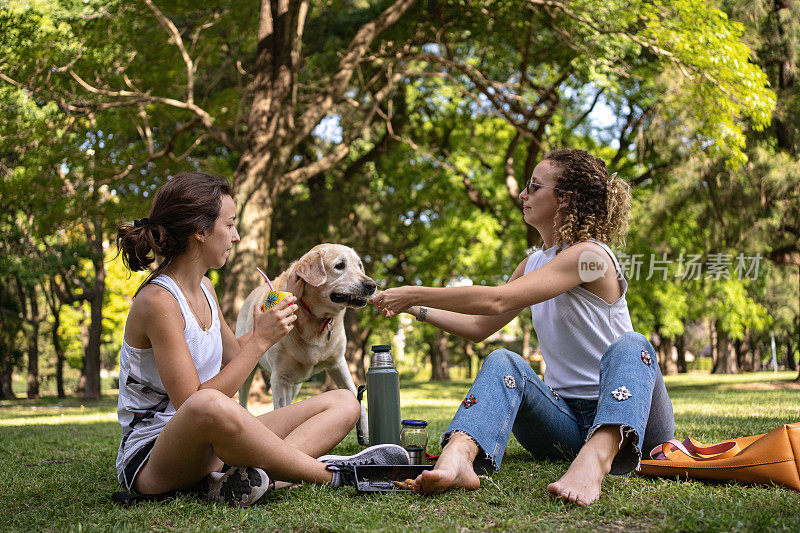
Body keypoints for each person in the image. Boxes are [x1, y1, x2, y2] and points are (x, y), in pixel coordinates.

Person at [371, 149, 674, 506]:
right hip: (564, 422)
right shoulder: (532, 264)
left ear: (565, 199)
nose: (522, 194)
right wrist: (417, 308)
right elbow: (480, 326)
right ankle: (460, 456)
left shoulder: (590, 257)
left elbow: (497, 300)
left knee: (632, 344)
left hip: (634, 422)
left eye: (533, 186)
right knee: (503, 359)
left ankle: (596, 459)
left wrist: (414, 292)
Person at [114, 172, 407, 506]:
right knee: (208, 404)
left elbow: (232, 355)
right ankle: (335, 474)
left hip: (213, 443)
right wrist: (259, 342)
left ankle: (252, 480)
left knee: (343, 401)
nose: (236, 237)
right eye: (230, 225)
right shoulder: (158, 301)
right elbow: (190, 405)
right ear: (200, 231)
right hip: (156, 457)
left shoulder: (205, 288)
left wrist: (268, 328)